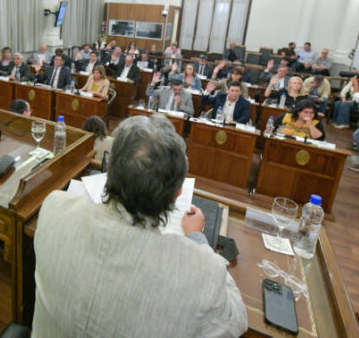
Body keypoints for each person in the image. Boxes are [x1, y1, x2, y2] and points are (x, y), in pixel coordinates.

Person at [31, 115, 248, 337]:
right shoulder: (203, 270)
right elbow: (237, 321)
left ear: (111, 170)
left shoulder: (53, 207)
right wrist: (197, 239)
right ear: (177, 195)